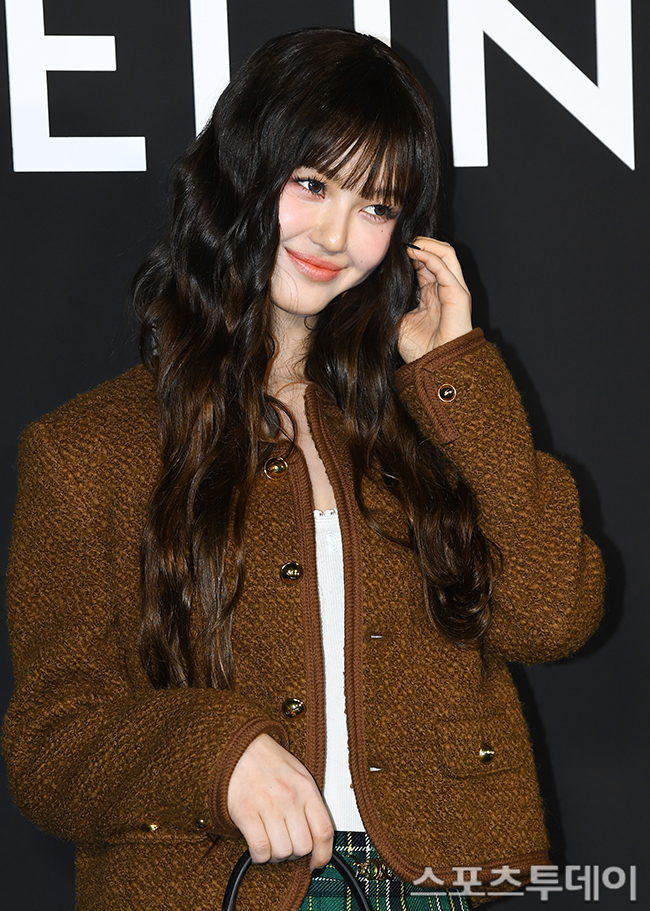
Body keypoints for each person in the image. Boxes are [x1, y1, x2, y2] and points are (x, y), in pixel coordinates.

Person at [3, 28, 603, 911]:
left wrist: (459, 379)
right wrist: (214, 757)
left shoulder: (426, 419)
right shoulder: (86, 450)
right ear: (245, 172)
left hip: (423, 887)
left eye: (376, 206)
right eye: (313, 184)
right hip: (214, 887)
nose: (334, 234)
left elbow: (551, 616)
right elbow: (50, 743)